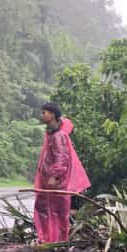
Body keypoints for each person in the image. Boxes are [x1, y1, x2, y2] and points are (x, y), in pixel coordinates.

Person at [33, 102, 90, 244]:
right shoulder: (51, 134)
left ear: (52, 115)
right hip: (48, 184)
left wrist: (55, 176)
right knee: (44, 210)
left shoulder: (59, 136)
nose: (42, 115)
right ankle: (48, 240)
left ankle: (58, 242)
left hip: (57, 184)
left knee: (57, 213)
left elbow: (62, 158)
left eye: (44, 112)